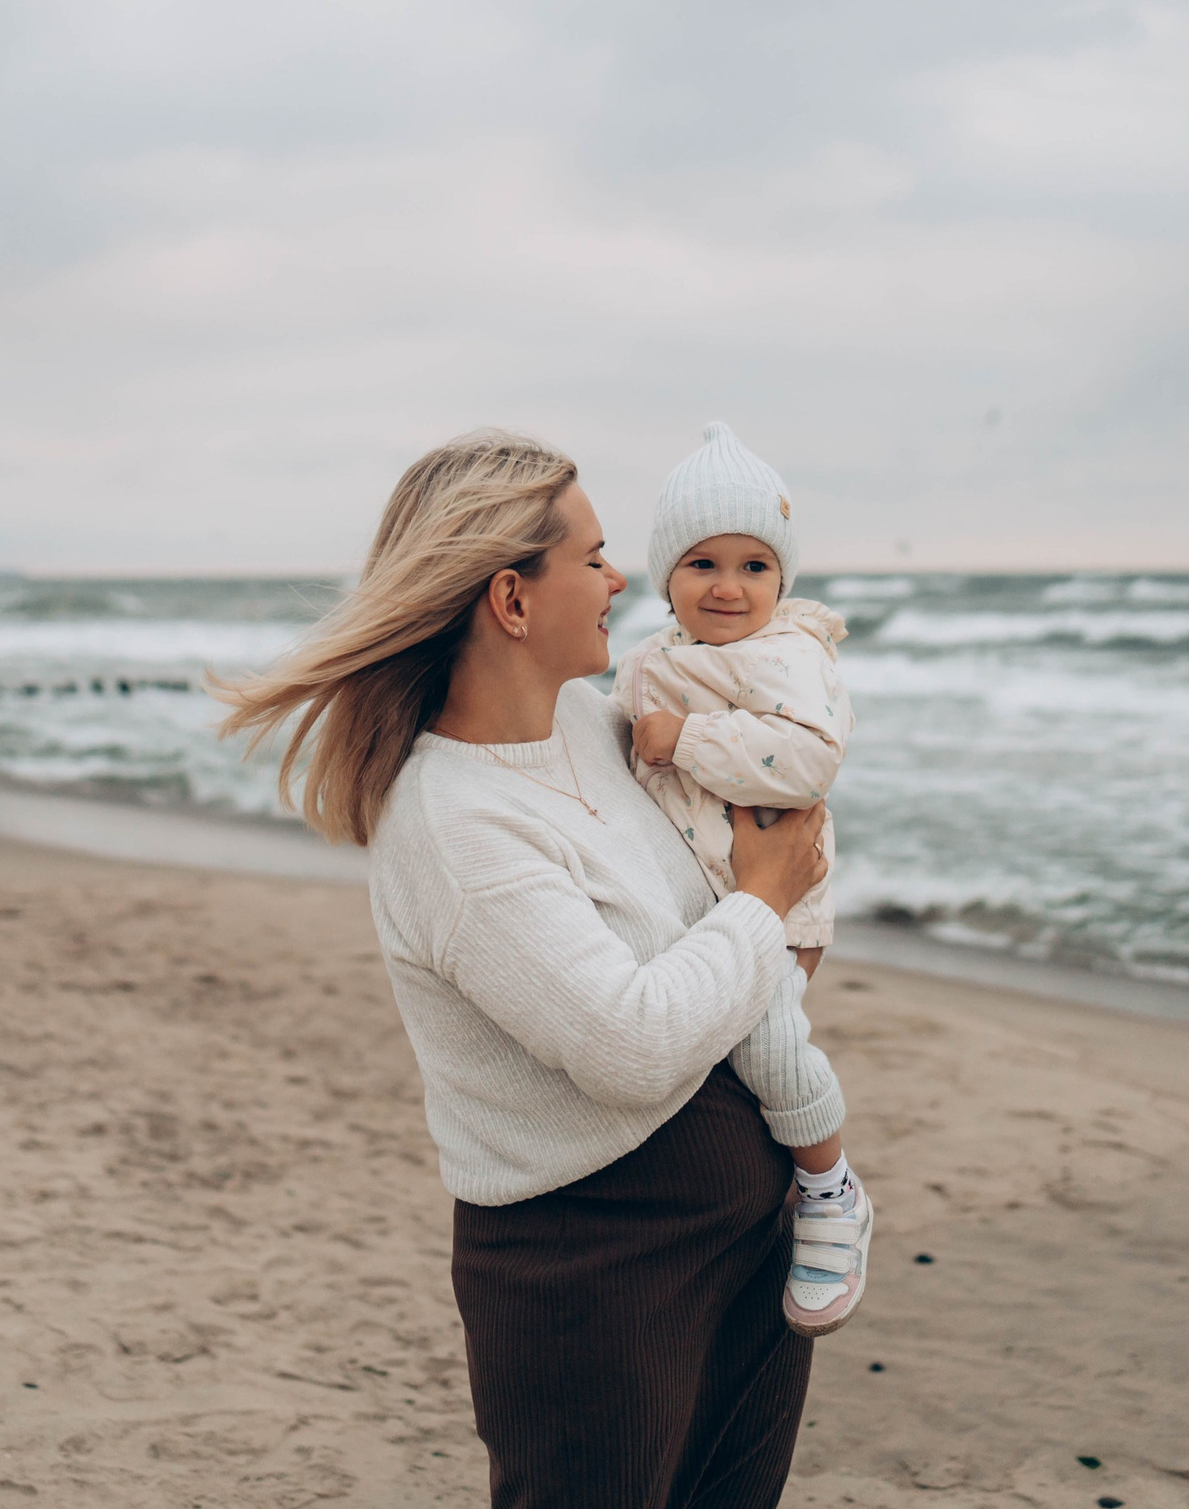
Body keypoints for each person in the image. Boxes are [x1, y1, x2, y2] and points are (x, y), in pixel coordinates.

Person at [216, 429, 834, 1509]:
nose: (617, 579)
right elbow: (631, 1045)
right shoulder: (454, 825)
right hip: (594, 1277)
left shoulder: (603, 732)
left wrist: (778, 894)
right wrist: (764, 900)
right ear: (510, 598)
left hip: (744, 1236)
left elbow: (737, 899)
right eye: (593, 557)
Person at [613, 421, 871, 1337]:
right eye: (705, 564)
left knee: (766, 1042)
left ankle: (829, 1185)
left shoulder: (789, 656)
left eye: (756, 566)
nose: (730, 587)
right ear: (666, 576)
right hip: (697, 906)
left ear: (783, 578)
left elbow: (807, 762)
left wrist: (687, 739)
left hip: (778, 901)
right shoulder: (650, 660)